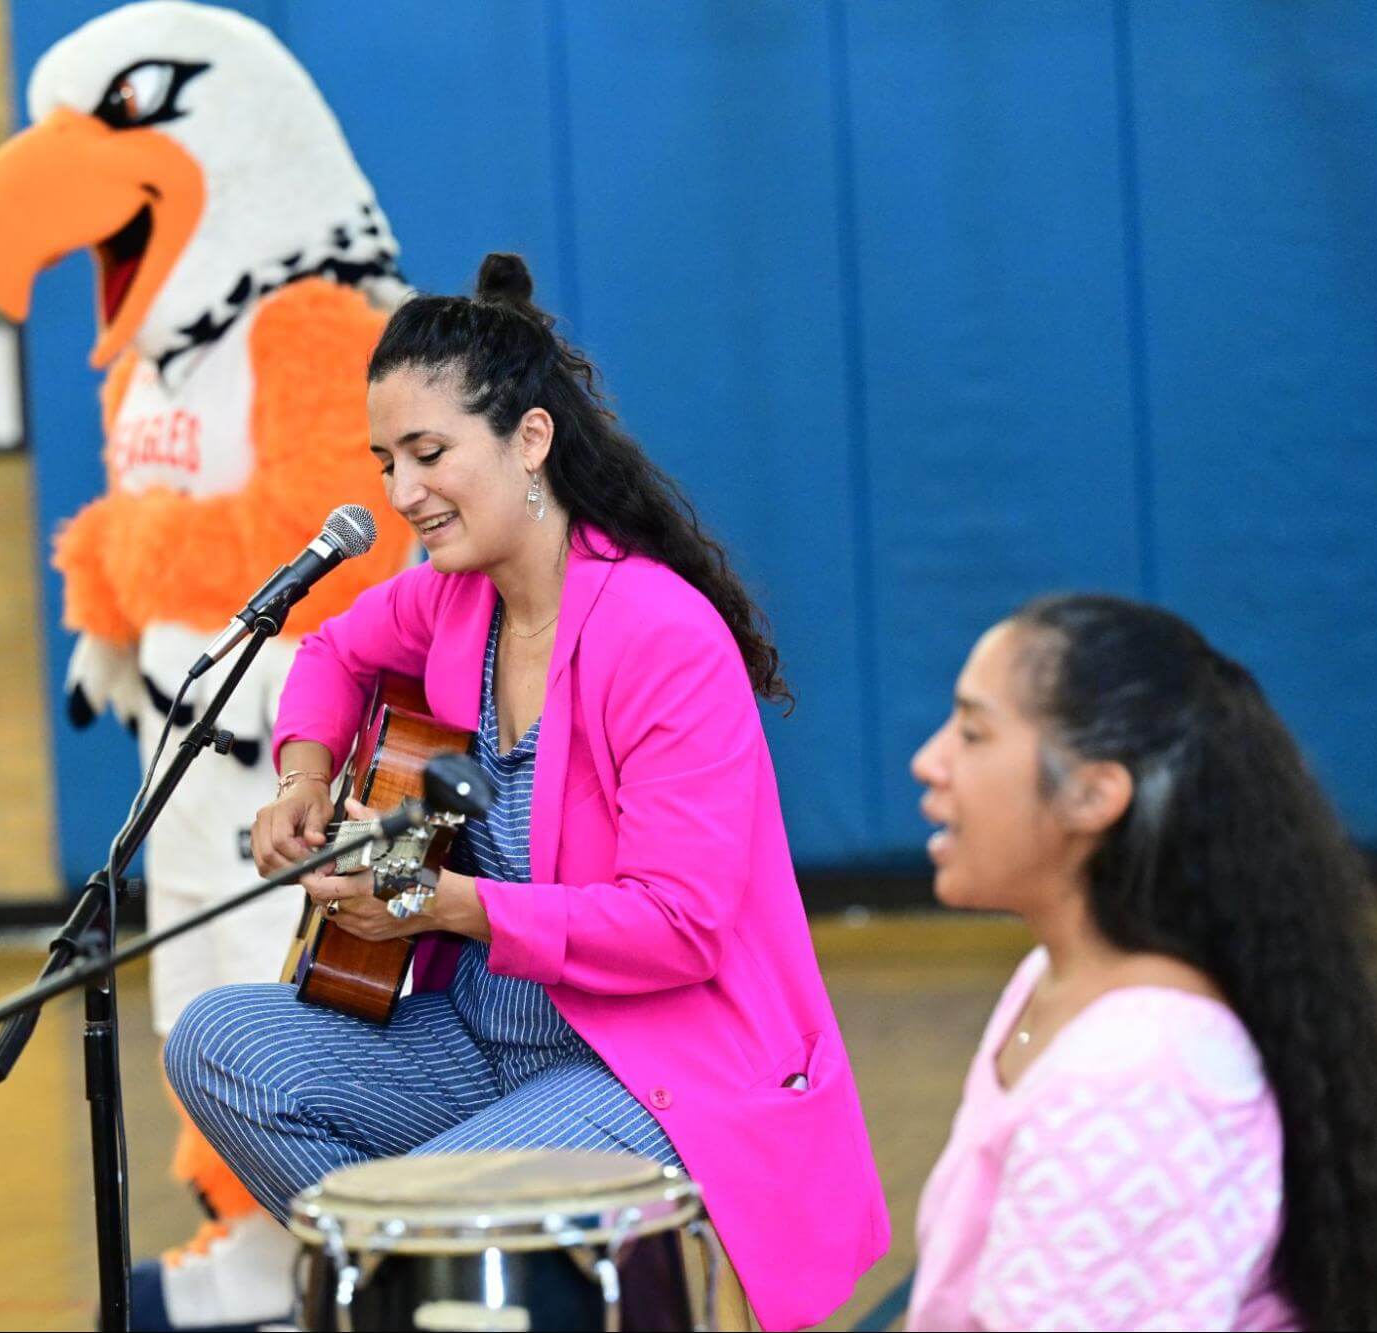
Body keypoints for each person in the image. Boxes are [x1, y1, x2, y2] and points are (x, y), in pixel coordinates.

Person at [164, 253, 889, 1330]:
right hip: (476, 1042)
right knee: (217, 1043)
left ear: (531, 441)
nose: (402, 492)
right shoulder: (453, 600)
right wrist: (303, 772)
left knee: (431, 1215)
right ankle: (433, 1300)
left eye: (429, 453)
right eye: (385, 462)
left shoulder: (660, 636)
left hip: (646, 1058)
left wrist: (444, 904)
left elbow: (681, 926)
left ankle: (427, 1296)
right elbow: (325, 654)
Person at [906, 594, 1377, 1331]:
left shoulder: (1137, 1070)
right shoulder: (1050, 981)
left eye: (971, 732)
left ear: (1092, 793)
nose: (929, 761)